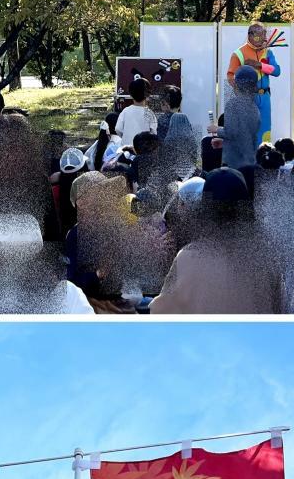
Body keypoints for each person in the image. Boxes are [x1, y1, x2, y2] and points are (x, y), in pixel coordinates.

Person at [151, 168, 284, 313]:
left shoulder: (189, 257)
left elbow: (160, 313)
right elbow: (280, 313)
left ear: (204, 209)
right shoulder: (265, 257)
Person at [220, 64, 263, 176]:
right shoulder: (254, 106)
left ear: (236, 84)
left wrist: (217, 130)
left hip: (234, 162)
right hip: (250, 159)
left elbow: (231, 132)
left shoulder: (232, 104)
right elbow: (246, 133)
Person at [115, 76, 158, 155]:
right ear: (148, 95)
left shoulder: (125, 111)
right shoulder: (150, 113)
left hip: (126, 151)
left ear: (131, 94)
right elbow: (153, 133)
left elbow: (118, 129)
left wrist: (126, 137)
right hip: (143, 152)